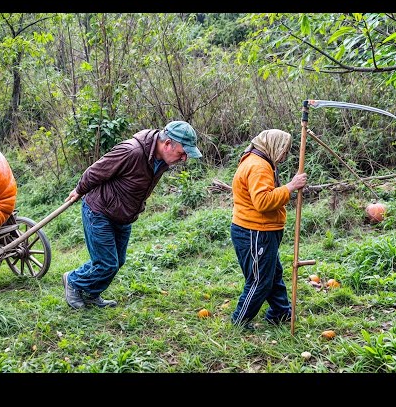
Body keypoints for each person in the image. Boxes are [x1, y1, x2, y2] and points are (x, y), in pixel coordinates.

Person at [62, 120, 202, 309]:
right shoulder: (132, 151)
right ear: (168, 143)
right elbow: (97, 170)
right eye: (182, 153)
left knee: (118, 261)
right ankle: (73, 281)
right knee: (107, 263)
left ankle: (92, 294)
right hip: (100, 210)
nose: (184, 158)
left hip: (124, 215)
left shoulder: (161, 160)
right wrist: (79, 190)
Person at [230, 128, 307, 330]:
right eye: (283, 149)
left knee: (273, 274)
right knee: (259, 281)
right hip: (255, 231)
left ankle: (280, 313)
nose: (284, 155)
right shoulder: (258, 166)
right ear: (273, 146)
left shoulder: (257, 161)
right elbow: (263, 202)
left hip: (261, 230)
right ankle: (240, 320)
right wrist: (290, 187)